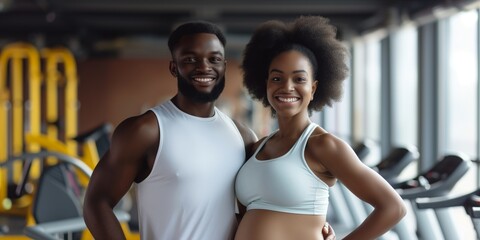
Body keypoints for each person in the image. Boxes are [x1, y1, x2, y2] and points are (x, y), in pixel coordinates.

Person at [83, 20, 336, 240]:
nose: (204, 67)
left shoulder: (243, 136)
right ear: (174, 67)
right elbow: (96, 203)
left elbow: (257, 206)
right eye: (190, 59)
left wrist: (310, 227)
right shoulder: (146, 130)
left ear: (224, 65)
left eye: (214, 59)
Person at [235, 16, 406, 240]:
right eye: (277, 78)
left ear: (314, 88)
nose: (287, 87)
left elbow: (393, 208)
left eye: (299, 79)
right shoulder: (257, 147)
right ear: (265, 83)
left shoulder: (323, 145)